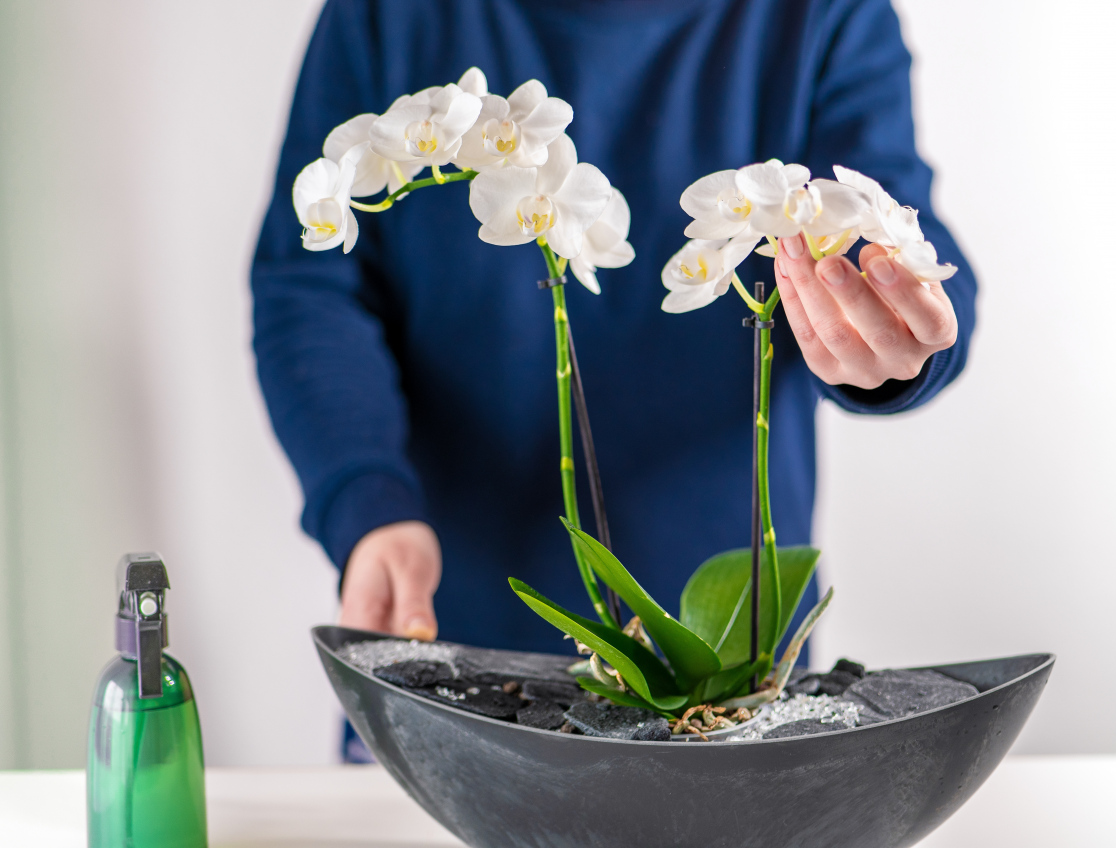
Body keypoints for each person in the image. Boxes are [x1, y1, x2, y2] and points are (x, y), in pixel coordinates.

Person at [252, 0, 974, 708]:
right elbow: (307, 286)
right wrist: (368, 505)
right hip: (441, 625)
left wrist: (893, 338)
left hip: (730, 668)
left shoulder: (824, 13)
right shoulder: (383, 14)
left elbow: (896, 225)